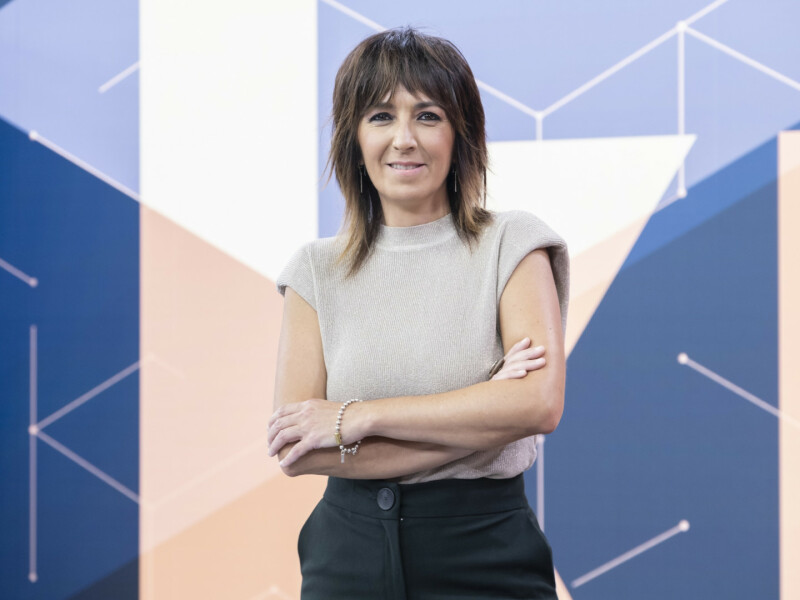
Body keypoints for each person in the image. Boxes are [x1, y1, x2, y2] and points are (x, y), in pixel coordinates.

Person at [268, 26, 569, 600]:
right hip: (346, 557)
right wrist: (484, 416)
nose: (404, 139)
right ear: (354, 137)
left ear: (461, 134)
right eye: (381, 116)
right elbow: (298, 447)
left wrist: (356, 418)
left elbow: (536, 404)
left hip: (485, 551)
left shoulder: (512, 243)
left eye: (428, 116)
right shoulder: (314, 269)